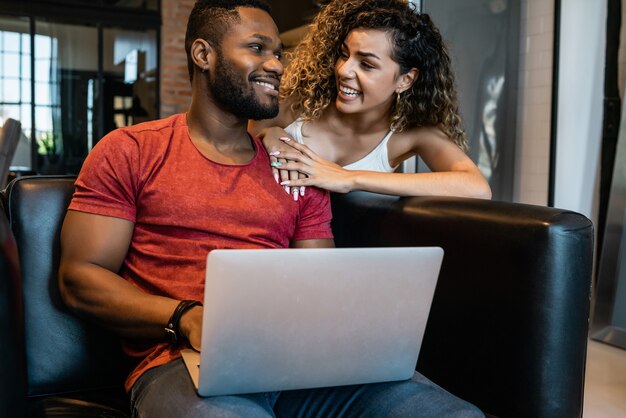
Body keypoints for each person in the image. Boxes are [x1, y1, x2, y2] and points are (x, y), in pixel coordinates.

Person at [58, 1, 484, 417]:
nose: (278, 65)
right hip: (181, 361)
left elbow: (320, 282)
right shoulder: (131, 150)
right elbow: (80, 277)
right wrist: (185, 317)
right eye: (258, 48)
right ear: (203, 54)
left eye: (278, 53)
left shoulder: (297, 166)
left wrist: (361, 332)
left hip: (297, 364)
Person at [250, 0, 492, 201]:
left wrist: (348, 179)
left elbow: (476, 187)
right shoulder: (299, 101)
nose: (344, 71)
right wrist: (269, 134)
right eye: (344, 55)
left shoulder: (409, 134)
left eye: (366, 64)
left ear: (405, 80)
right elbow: (240, 146)